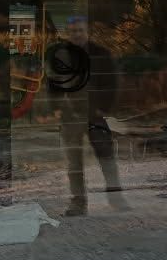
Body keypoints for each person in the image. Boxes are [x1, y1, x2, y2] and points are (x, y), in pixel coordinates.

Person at [48, 15, 125, 216]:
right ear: (68, 33)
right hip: (69, 116)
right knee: (74, 163)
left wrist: (104, 109)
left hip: (95, 115)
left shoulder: (101, 54)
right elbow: (53, 84)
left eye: (80, 30)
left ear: (87, 31)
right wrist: (55, 107)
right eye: (73, 31)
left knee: (106, 157)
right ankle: (78, 204)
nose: (77, 34)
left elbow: (112, 84)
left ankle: (117, 200)